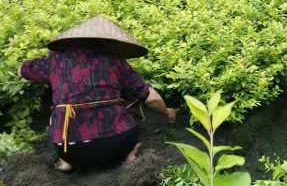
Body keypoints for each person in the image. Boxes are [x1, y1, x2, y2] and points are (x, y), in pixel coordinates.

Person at [20, 15, 176, 172]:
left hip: (70, 149)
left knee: (60, 117)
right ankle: (129, 155)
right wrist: (167, 112)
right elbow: (151, 98)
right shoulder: (113, 60)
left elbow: (23, 69)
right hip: (116, 143)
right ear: (106, 41)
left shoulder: (54, 61)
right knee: (130, 112)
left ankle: (67, 162)